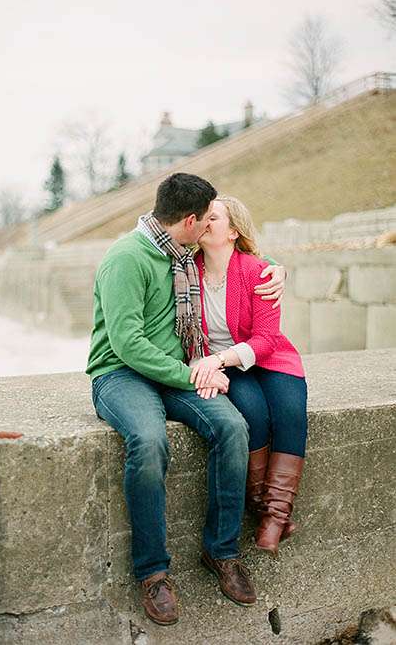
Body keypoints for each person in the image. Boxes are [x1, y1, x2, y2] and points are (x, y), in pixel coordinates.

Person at [85, 173, 285, 626]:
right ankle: (153, 572)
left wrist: (278, 270)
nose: (211, 224)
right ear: (190, 221)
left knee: (233, 427)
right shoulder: (126, 258)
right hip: (120, 375)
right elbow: (127, 343)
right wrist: (197, 371)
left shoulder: (181, 251)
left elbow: (242, 255)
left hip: (176, 374)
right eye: (207, 218)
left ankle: (222, 552)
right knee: (150, 440)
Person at [191, 196, 307, 555]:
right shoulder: (186, 271)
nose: (204, 222)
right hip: (227, 366)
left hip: (268, 357)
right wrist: (217, 362)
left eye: (214, 217)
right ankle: (262, 507)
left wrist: (220, 358)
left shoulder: (257, 271)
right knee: (253, 414)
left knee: (290, 412)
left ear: (233, 231)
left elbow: (268, 339)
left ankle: (275, 518)